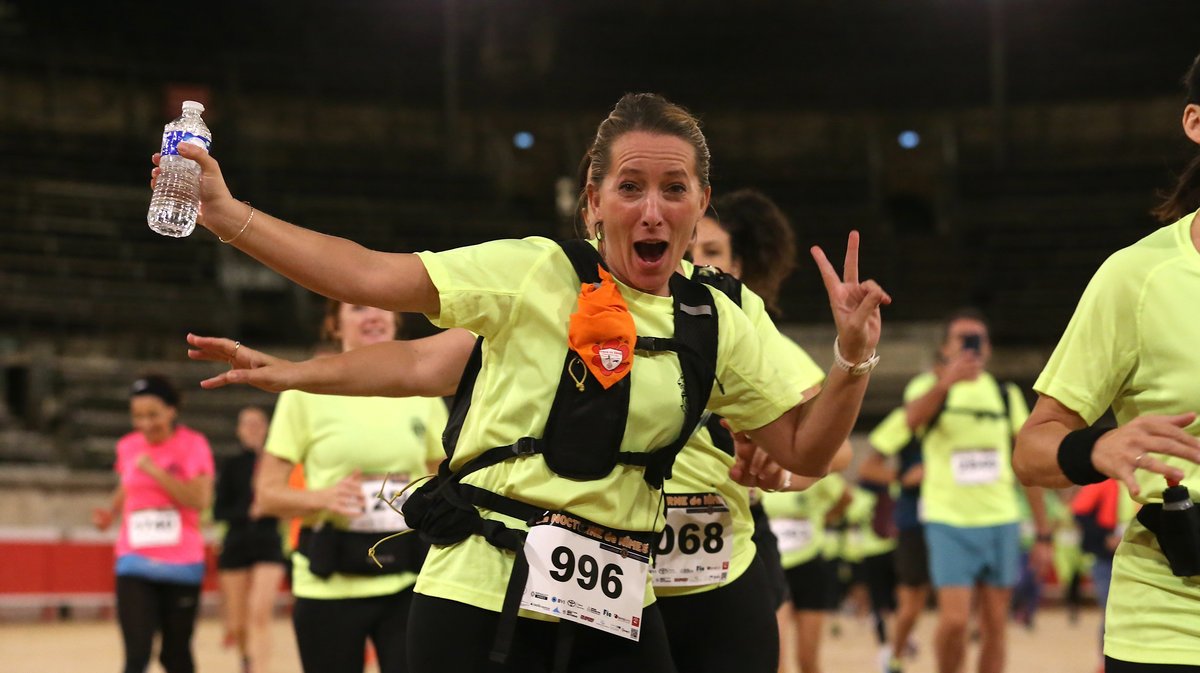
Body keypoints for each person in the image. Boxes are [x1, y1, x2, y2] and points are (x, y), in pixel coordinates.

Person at [163, 92, 890, 672]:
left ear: (701, 202)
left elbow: (802, 448)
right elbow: (370, 275)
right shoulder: (533, 272)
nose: (652, 209)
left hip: (617, 606)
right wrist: (228, 217)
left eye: (675, 189)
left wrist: (852, 360)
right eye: (629, 187)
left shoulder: (723, 312)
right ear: (594, 201)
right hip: (480, 594)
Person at [1013, 51, 1200, 673]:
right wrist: (1095, 449)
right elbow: (1033, 450)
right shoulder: (1136, 278)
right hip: (1170, 628)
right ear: (1196, 123)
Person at [250, 301, 449, 673]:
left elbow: (444, 481)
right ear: (334, 326)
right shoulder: (304, 391)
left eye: (382, 307)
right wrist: (322, 498)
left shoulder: (423, 391)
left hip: (408, 581)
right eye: (357, 308)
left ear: (395, 319)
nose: (373, 315)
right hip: (328, 585)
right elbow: (266, 494)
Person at [900, 309, 1051, 673]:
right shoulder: (925, 388)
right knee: (953, 622)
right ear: (945, 347)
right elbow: (911, 421)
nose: (973, 347)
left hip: (1001, 520)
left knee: (996, 626)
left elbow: (1026, 466)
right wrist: (945, 383)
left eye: (979, 340)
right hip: (948, 520)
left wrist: (1043, 532)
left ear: (990, 347)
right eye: (963, 339)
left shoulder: (1005, 394)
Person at [91, 375, 214, 673]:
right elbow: (127, 484)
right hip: (134, 563)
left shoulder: (193, 444)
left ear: (172, 410)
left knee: (176, 657)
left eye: (153, 415)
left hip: (182, 566)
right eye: (137, 416)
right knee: (136, 656)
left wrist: (157, 471)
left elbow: (200, 500)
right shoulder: (127, 446)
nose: (145, 423)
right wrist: (111, 510)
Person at [213, 405, 287, 673]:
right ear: (239, 430)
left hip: (268, 543)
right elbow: (219, 510)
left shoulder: (279, 462)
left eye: (258, 423)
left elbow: (290, 501)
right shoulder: (231, 466)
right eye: (248, 424)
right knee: (239, 623)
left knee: (260, 613)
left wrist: (270, 506)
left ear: (267, 429)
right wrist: (248, 510)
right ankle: (246, 661)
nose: (254, 429)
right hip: (236, 544)